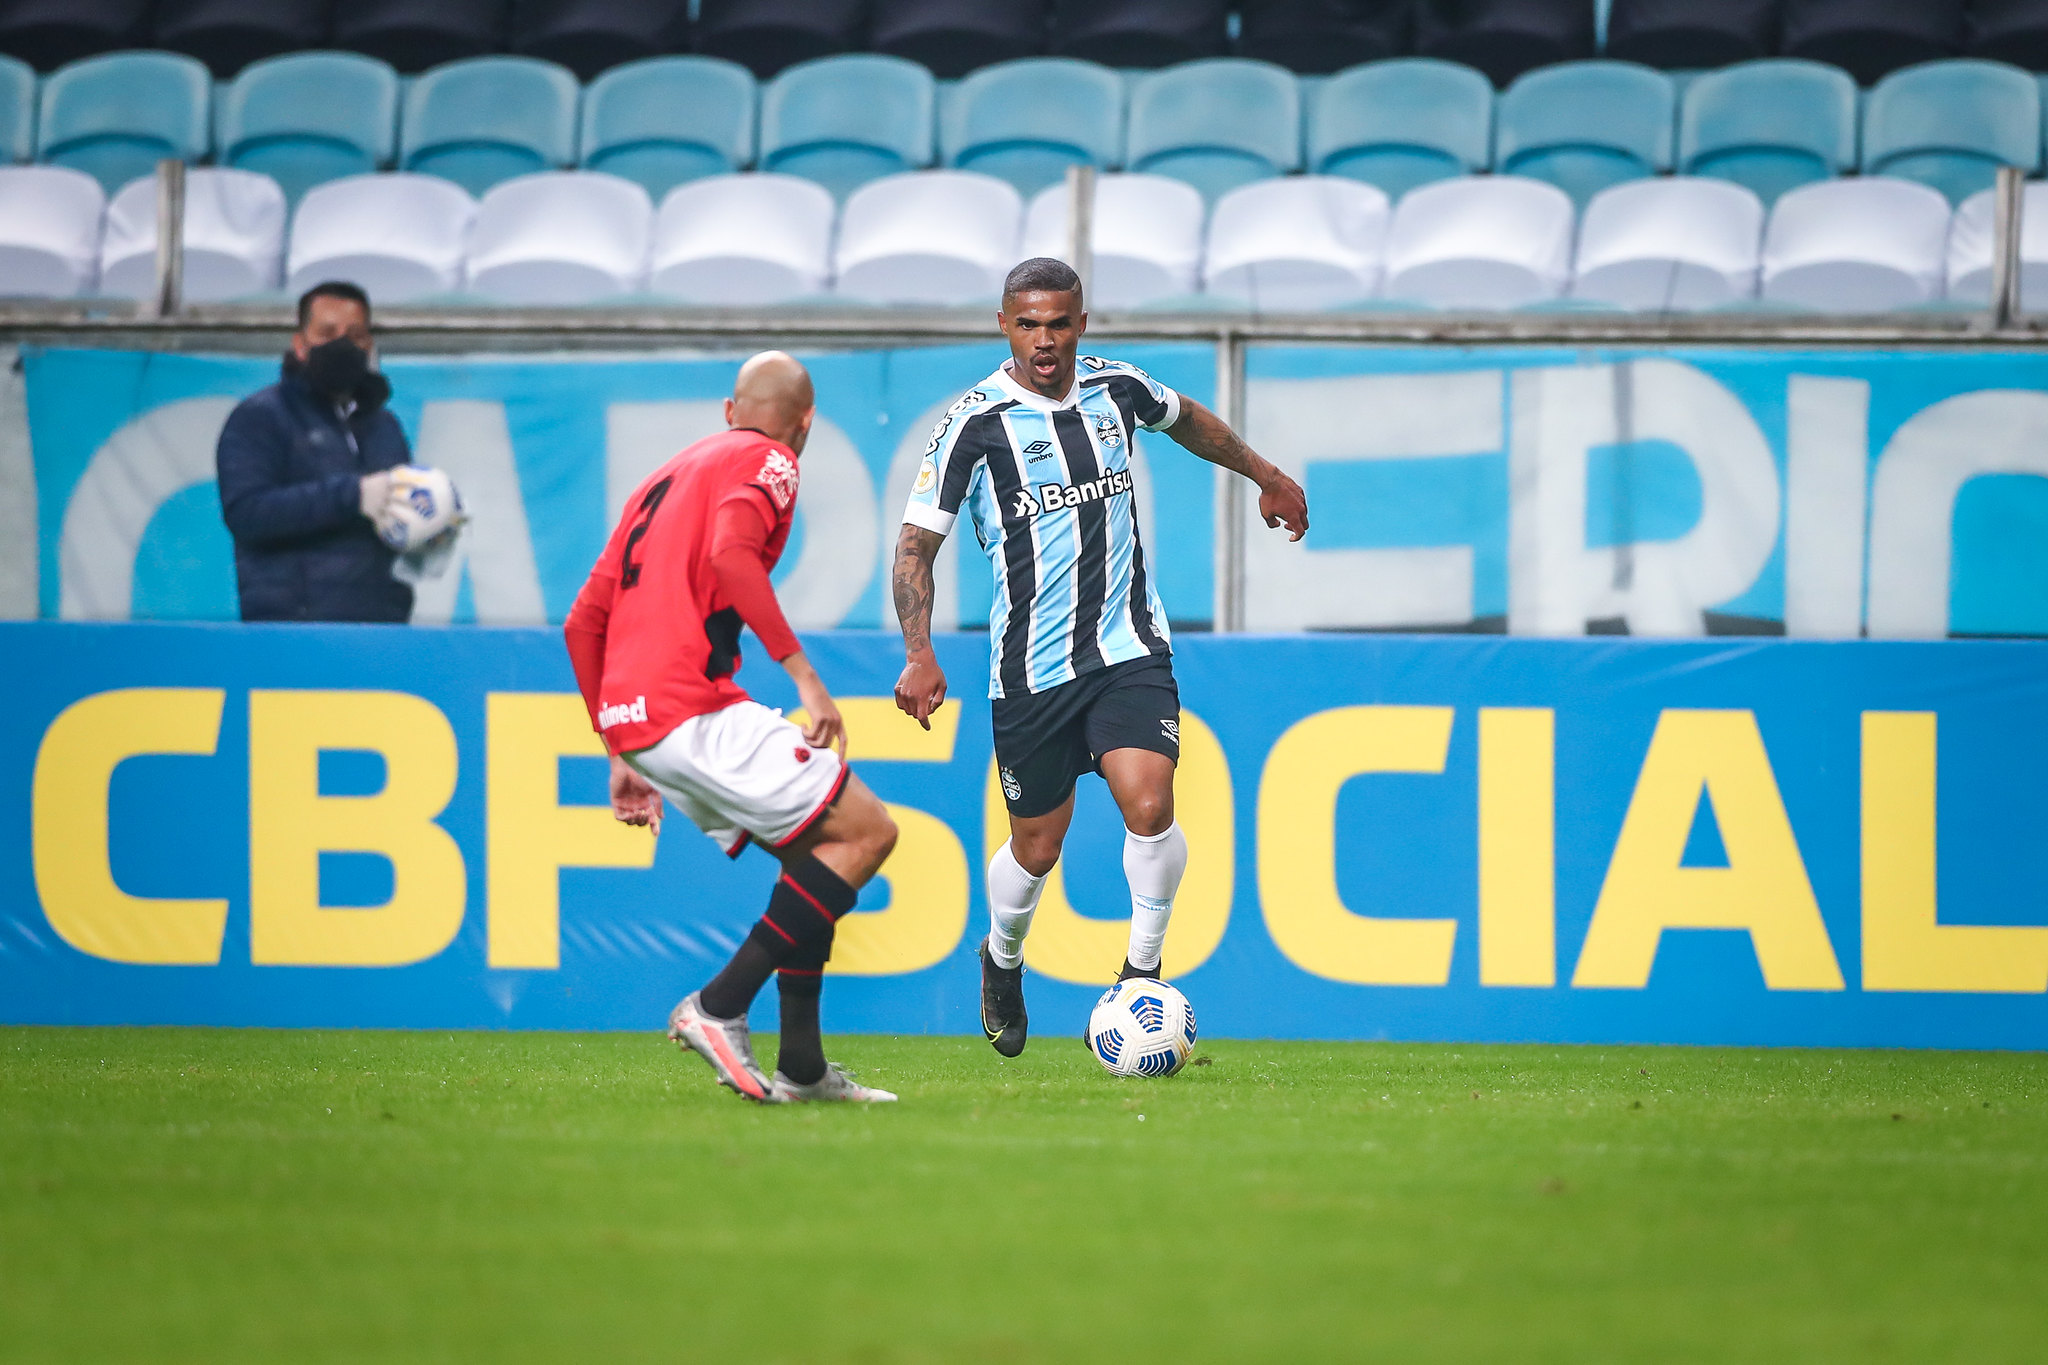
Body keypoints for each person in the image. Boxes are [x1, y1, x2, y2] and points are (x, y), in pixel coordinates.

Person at [890, 257, 1309, 1058]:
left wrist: (1267, 474)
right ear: (1004, 326)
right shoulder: (972, 425)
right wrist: (919, 653)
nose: (1044, 340)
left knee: (1150, 805)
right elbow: (915, 546)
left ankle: (1140, 975)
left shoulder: (1116, 389)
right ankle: (1002, 957)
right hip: (1031, 671)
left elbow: (1186, 419)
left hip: (1128, 646)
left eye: (1059, 323)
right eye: (1028, 324)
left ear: (1081, 322)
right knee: (1038, 846)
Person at [565, 351, 900, 1104]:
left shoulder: (663, 479)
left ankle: (802, 1067)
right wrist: (804, 676)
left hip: (641, 720)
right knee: (868, 831)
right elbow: (731, 554)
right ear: (806, 422)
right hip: (689, 703)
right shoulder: (770, 459)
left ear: (728, 409)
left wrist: (618, 748)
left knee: (815, 850)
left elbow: (583, 621)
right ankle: (720, 1003)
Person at [216, 281, 414, 623]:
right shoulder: (260, 416)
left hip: (379, 631)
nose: (342, 344)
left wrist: (429, 530)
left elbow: (397, 519)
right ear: (300, 344)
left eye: (354, 335)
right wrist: (353, 496)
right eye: (327, 333)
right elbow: (247, 513)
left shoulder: (384, 425)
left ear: (369, 346)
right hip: (293, 631)